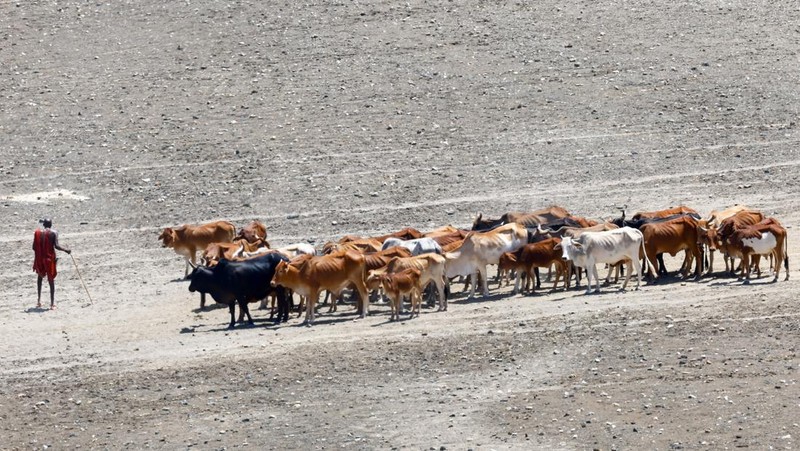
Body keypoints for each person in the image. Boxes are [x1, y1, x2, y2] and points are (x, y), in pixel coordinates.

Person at [32, 218, 71, 309]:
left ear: (43, 225)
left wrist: (40, 254)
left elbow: (34, 247)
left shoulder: (37, 233)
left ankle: (39, 301)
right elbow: (56, 246)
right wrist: (66, 250)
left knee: (40, 278)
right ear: (51, 225)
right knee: (51, 280)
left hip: (40, 259)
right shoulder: (54, 233)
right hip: (49, 259)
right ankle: (52, 304)